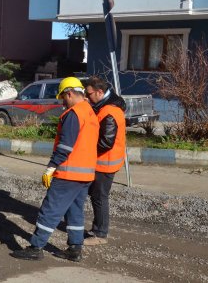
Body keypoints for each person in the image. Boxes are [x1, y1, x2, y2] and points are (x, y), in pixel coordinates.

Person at [11, 77, 99, 262]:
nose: (62, 102)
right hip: (86, 174)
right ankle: (75, 249)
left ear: (69, 93)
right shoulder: (89, 112)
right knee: (74, 211)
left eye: (63, 98)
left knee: (50, 210)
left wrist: (51, 167)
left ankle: (36, 247)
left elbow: (65, 147)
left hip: (68, 173)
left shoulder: (73, 114)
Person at [83, 76, 126, 246]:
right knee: (97, 196)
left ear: (100, 92)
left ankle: (100, 234)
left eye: (89, 93)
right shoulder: (106, 106)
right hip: (106, 161)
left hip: (105, 162)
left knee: (99, 197)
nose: (87, 97)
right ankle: (98, 229)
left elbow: (106, 142)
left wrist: (86, 150)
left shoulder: (109, 112)